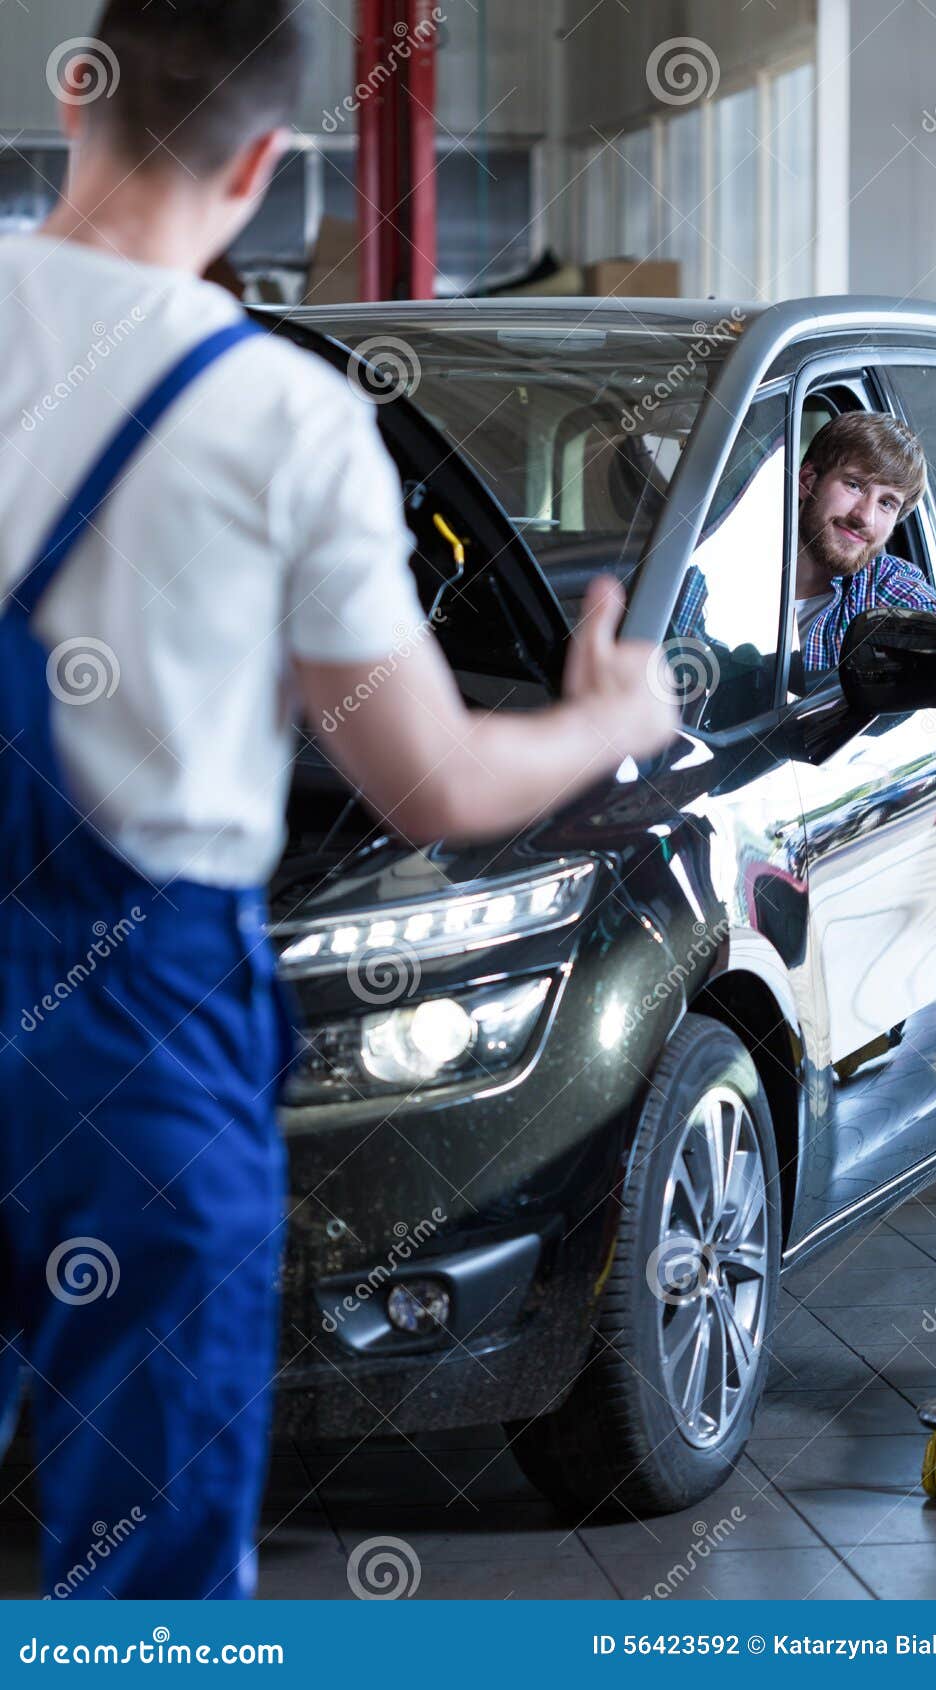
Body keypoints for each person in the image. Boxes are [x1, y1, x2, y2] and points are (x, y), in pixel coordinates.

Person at [0, 0, 677, 1600]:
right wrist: (603, 720)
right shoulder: (281, 415)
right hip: (138, 1023)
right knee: (145, 1573)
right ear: (260, 166)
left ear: (75, 95)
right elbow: (430, 780)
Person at [795, 410, 936, 679]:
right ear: (807, 481)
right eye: (854, 485)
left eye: (886, 503)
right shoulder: (744, 545)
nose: (865, 517)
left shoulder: (882, 584)